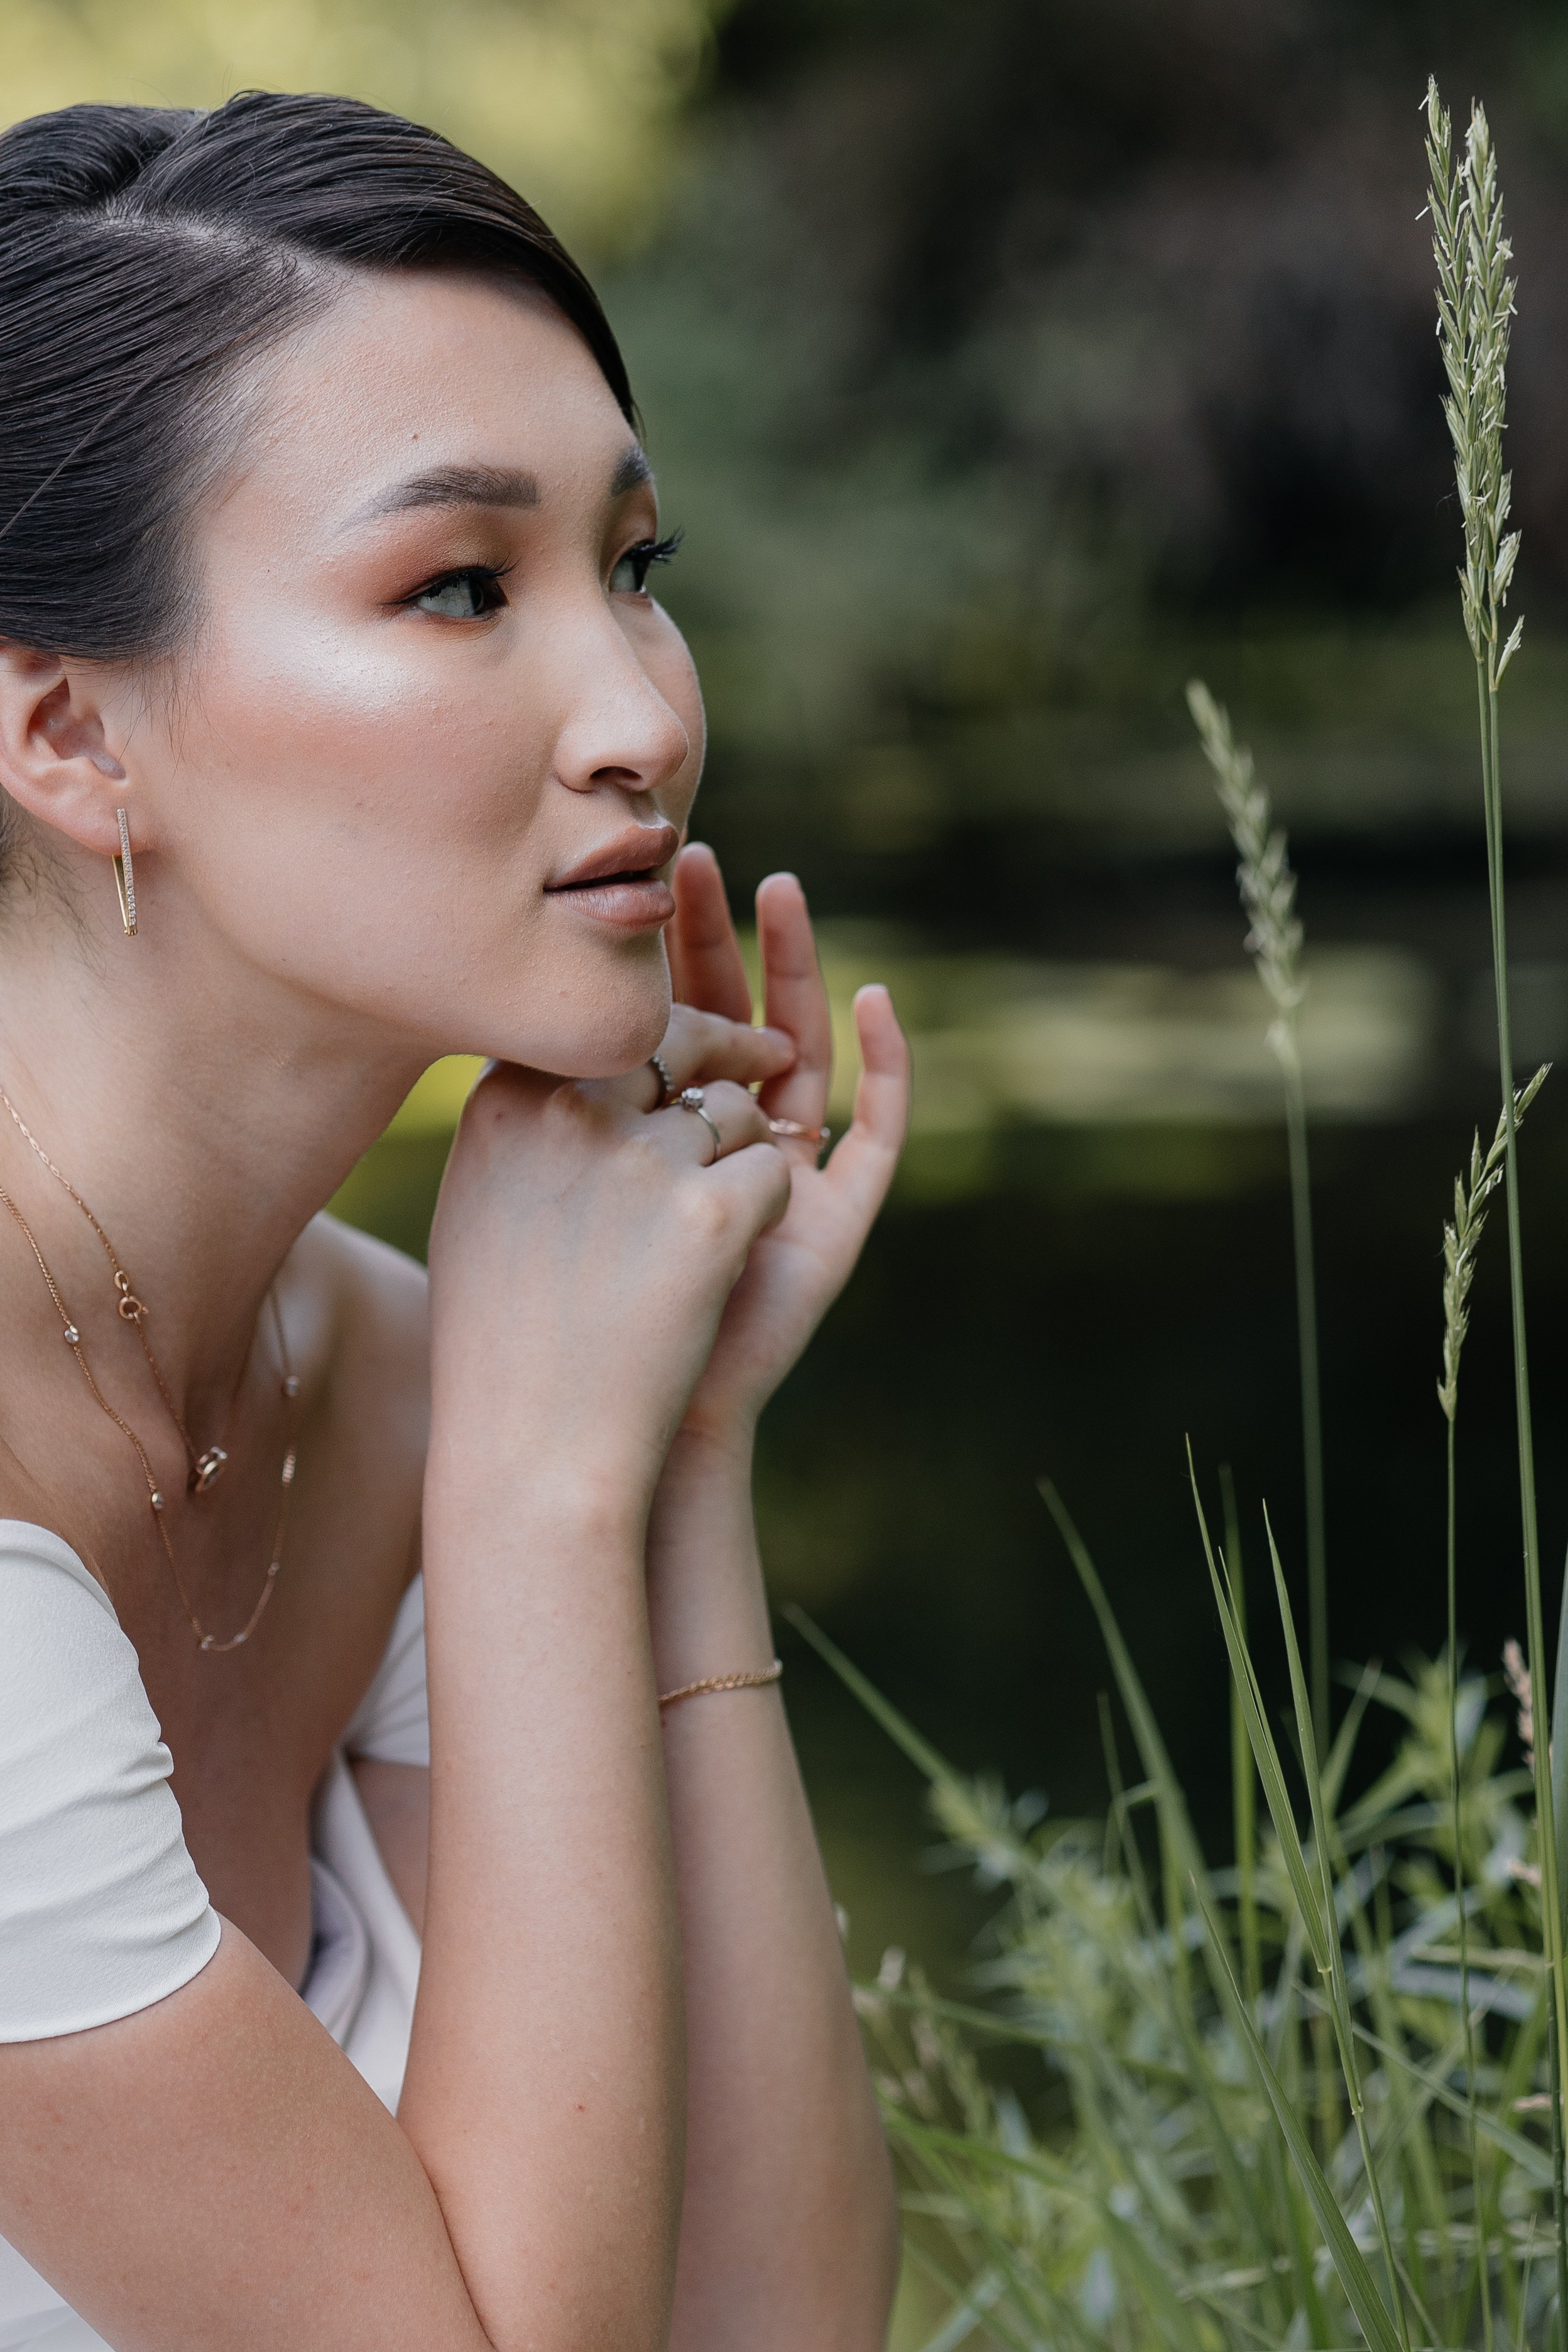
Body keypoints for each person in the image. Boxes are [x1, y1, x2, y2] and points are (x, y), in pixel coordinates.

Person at [0, 92, 908, 2352]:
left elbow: (765, 2326)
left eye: (636, 570)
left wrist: (662, 1452)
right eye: (461, 588)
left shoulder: (395, 1370)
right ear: (70, 736)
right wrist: (529, 1487)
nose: (638, 719)